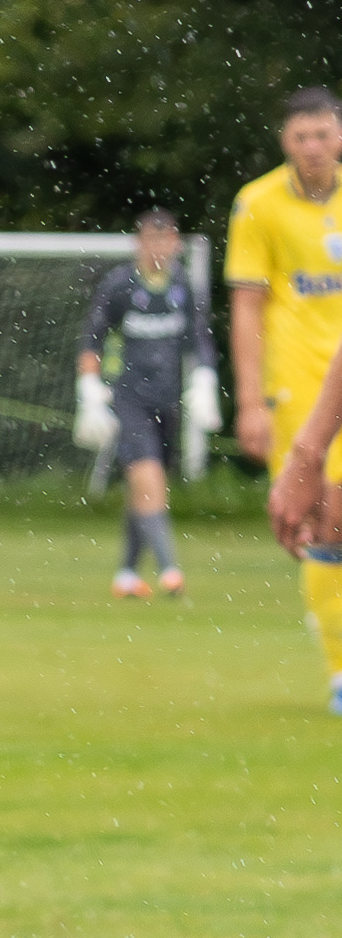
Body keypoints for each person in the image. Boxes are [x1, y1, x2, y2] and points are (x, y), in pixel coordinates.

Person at [225, 87, 342, 709]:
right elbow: (248, 307)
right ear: (285, 143)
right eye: (302, 137)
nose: (315, 148)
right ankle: (339, 671)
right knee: (325, 522)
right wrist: (250, 401)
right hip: (301, 387)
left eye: (324, 134)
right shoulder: (258, 205)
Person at [76, 208, 217, 598]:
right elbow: (92, 340)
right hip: (128, 399)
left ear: (176, 243)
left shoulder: (184, 286)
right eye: (151, 239)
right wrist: (89, 392)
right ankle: (170, 569)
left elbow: (200, 339)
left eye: (167, 239)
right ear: (139, 243)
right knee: (148, 481)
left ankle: (126, 574)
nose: (159, 248)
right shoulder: (119, 285)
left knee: (147, 490)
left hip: (167, 402)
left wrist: (205, 379)